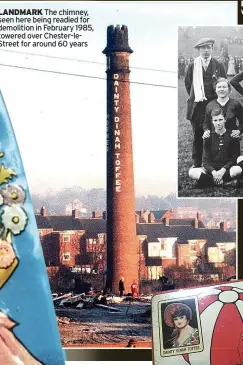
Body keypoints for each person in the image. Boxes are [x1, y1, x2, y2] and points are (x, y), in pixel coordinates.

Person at [185, 38, 226, 168]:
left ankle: (215, 163)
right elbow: (188, 84)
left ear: (212, 49)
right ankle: (197, 163)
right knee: (198, 134)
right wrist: (197, 96)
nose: (206, 50)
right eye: (203, 48)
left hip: (214, 105)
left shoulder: (218, 64)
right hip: (198, 106)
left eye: (208, 47)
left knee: (215, 133)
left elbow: (223, 82)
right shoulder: (192, 65)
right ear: (199, 50)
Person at [189, 108, 243, 187]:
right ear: (212, 121)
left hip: (227, 169)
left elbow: (234, 158)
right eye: (215, 120)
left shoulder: (232, 135)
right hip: (211, 171)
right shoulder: (208, 136)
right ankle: (225, 183)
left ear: (225, 119)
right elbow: (205, 161)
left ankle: (206, 181)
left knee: (237, 170)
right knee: (192, 172)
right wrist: (214, 172)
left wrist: (223, 170)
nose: (218, 123)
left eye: (220, 120)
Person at [202, 78, 243, 148]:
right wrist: (206, 131)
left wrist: (239, 131)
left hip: (232, 140)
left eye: (224, 87)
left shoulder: (236, 104)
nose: (221, 89)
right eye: (219, 87)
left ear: (229, 89)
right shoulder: (210, 105)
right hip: (215, 140)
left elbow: (242, 121)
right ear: (215, 90)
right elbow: (206, 122)